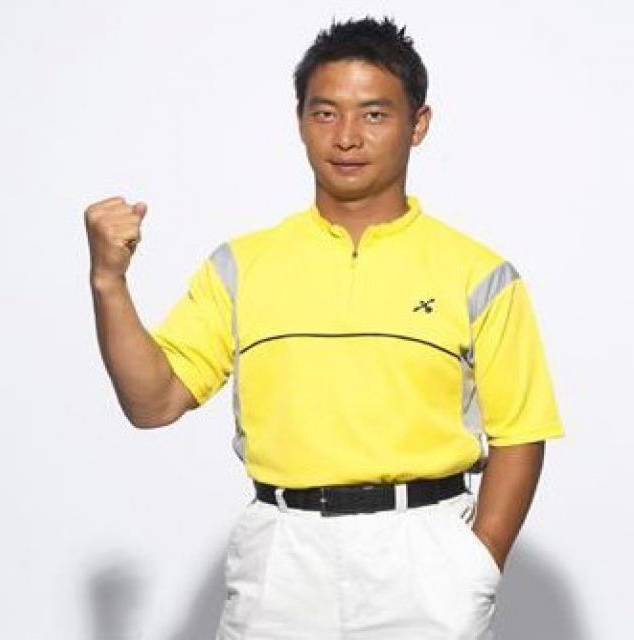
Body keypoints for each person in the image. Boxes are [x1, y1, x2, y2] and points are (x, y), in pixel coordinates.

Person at [84, 15, 565, 640]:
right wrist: (109, 281)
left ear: (418, 124)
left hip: (425, 554)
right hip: (281, 556)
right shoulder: (243, 265)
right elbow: (153, 403)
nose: (346, 138)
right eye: (325, 113)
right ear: (300, 121)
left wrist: (478, 564)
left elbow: (521, 432)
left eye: (374, 114)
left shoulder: (479, 273)